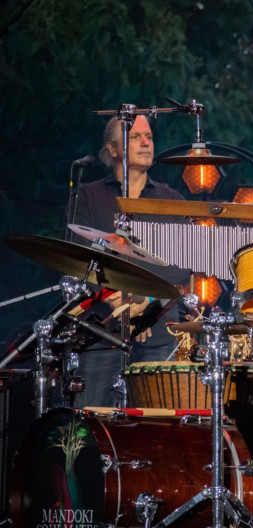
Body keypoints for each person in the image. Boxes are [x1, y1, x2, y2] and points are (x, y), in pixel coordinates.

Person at [72, 115, 190, 407]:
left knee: (157, 421)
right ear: (112, 149)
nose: (146, 143)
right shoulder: (87, 196)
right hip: (101, 330)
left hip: (159, 330)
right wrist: (121, 302)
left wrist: (144, 303)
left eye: (149, 136)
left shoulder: (172, 200)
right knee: (92, 418)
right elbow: (79, 257)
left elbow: (181, 268)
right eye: (136, 137)